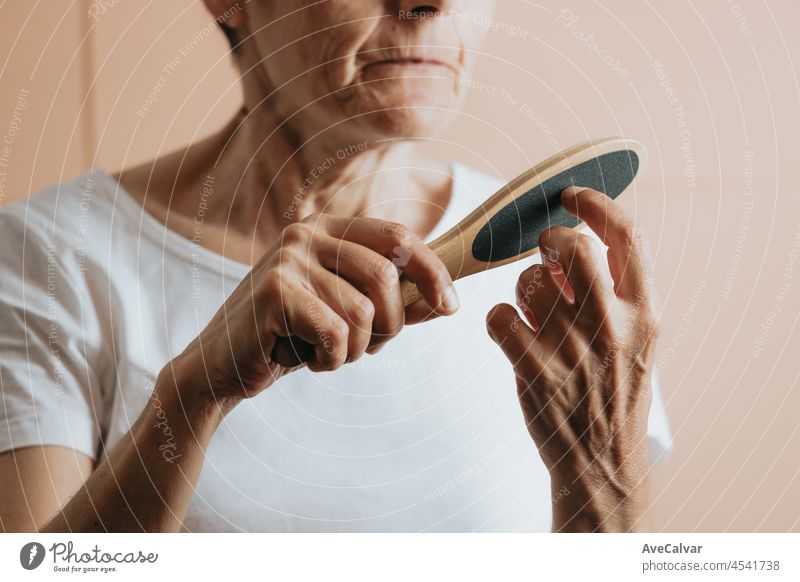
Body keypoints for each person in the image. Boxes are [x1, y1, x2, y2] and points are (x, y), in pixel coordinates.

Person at [0, 0, 671, 532]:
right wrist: (188, 399)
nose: (430, 2)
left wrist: (607, 492)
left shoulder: (557, 271)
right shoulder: (47, 258)